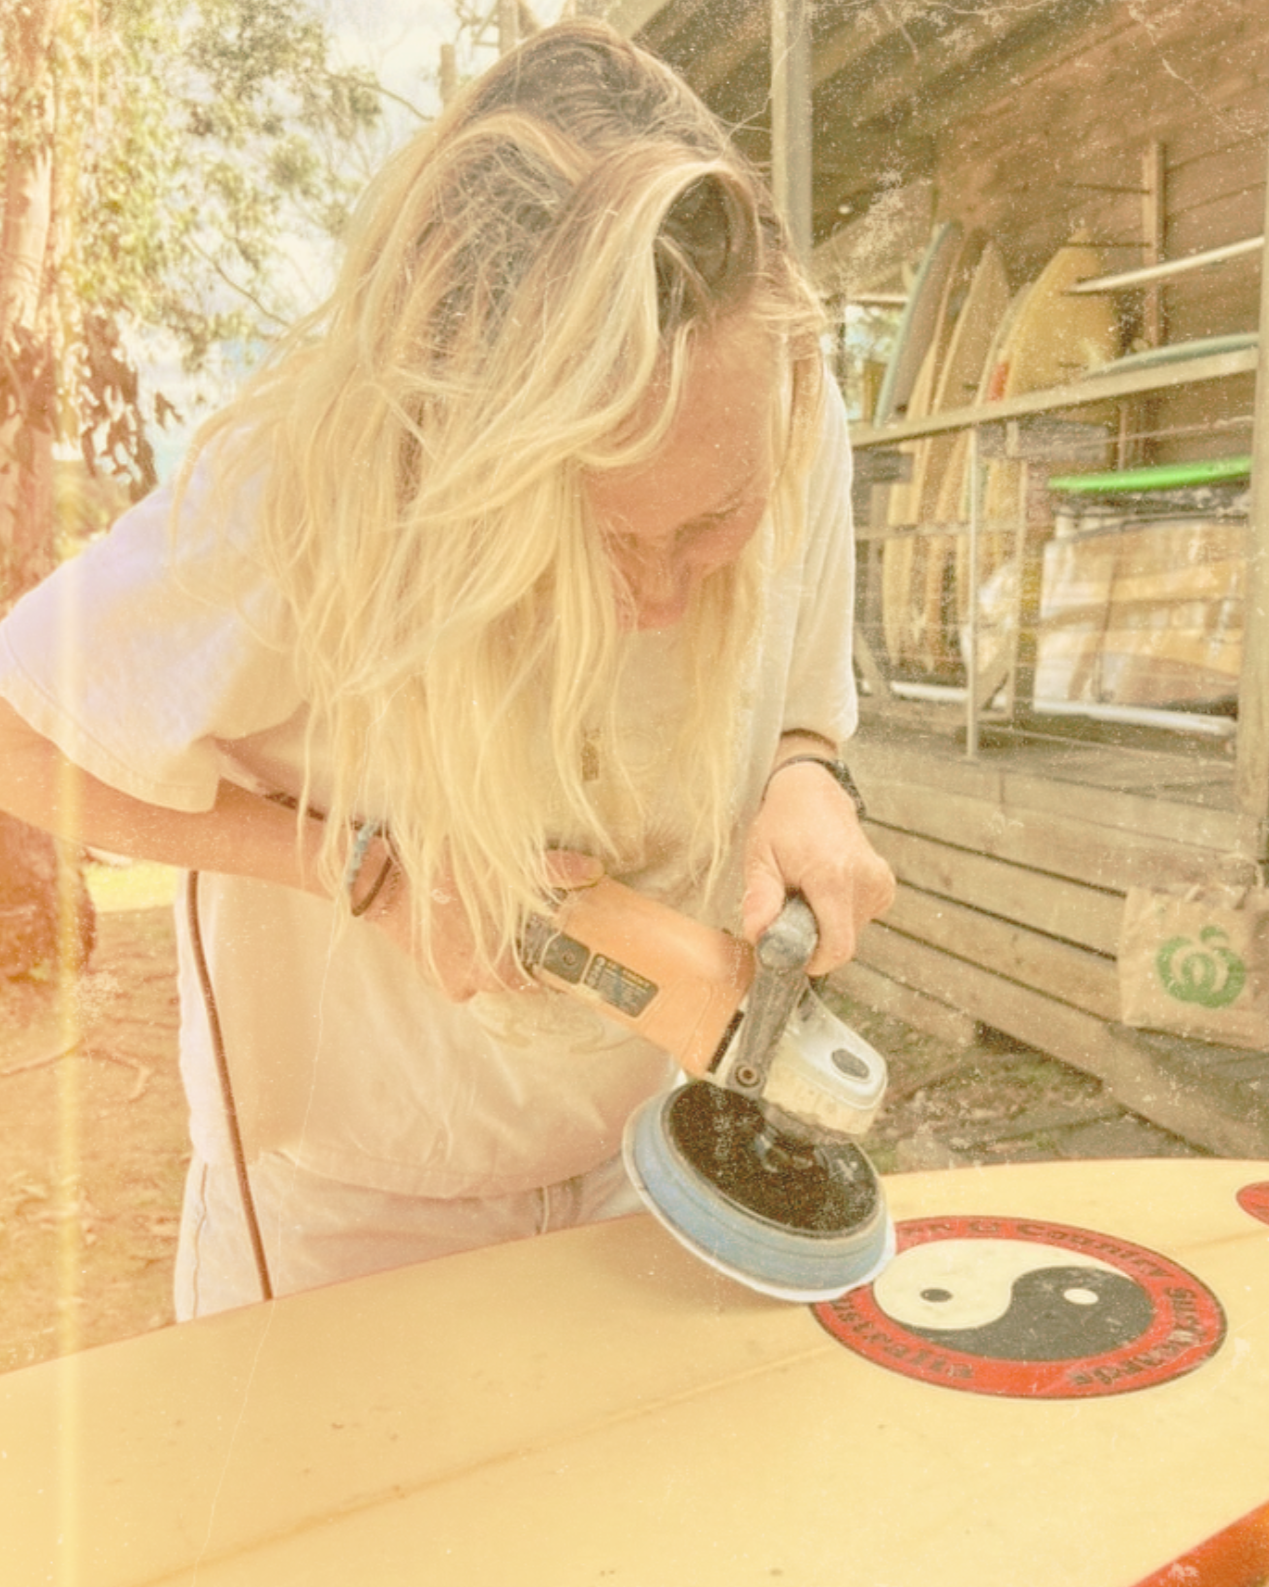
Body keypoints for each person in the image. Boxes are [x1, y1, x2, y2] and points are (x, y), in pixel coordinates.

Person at [0, 20, 895, 1317]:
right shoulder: (303, 495)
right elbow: (20, 730)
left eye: (715, 521)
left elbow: (803, 701)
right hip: (351, 1197)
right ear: (456, 442)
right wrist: (363, 870)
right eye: (597, 538)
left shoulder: (785, 408)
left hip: (635, 1158)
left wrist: (810, 778)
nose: (657, 600)